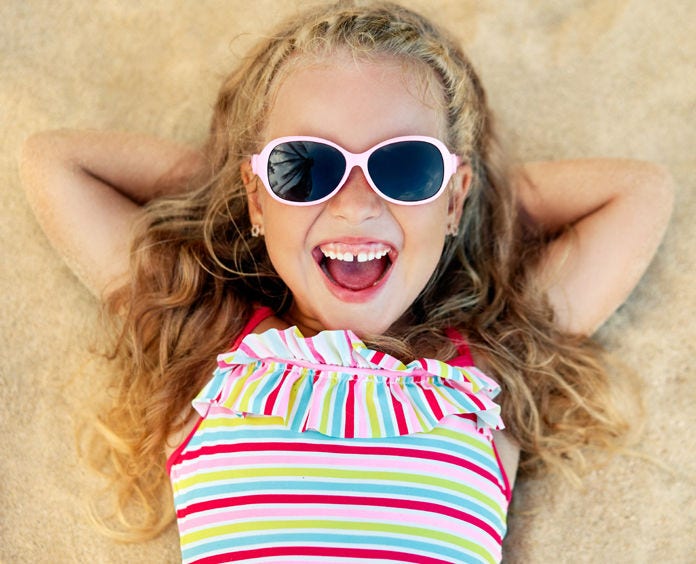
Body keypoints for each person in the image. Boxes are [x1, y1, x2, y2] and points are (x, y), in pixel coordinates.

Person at [20, 1, 673, 562]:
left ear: (454, 200)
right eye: (304, 167)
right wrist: (242, 191)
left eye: (407, 166)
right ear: (255, 196)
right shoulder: (212, 349)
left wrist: (469, 205)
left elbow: (639, 193)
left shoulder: (480, 377)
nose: (356, 204)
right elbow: (55, 163)